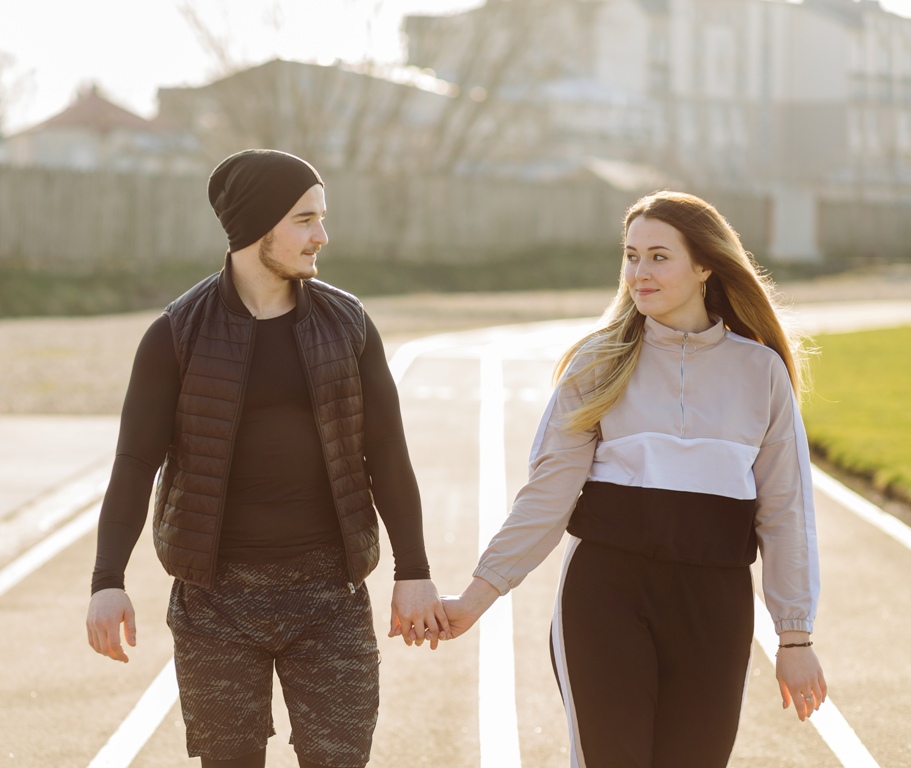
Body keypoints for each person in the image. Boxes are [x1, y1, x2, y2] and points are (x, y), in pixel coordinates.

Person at [86, 148, 450, 768]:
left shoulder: (348, 324)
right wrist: (107, 581)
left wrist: (413, 570)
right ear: (258, 227)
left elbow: (386, 451)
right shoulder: (175, 336)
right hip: (215, 601)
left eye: (321, 218)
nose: (322, 236)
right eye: (305, 220)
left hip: (330, 596)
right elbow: (133, 463)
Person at [441, 191, 826, 767]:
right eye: (630, 256)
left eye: (658, 257)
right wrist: (478, 595)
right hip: (607, 595)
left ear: (704, 267)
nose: (638, 273)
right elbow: (548, 494)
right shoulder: (597, 362)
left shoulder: (760, 372)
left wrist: (794, 638)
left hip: (714, 604)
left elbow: (786, 510)